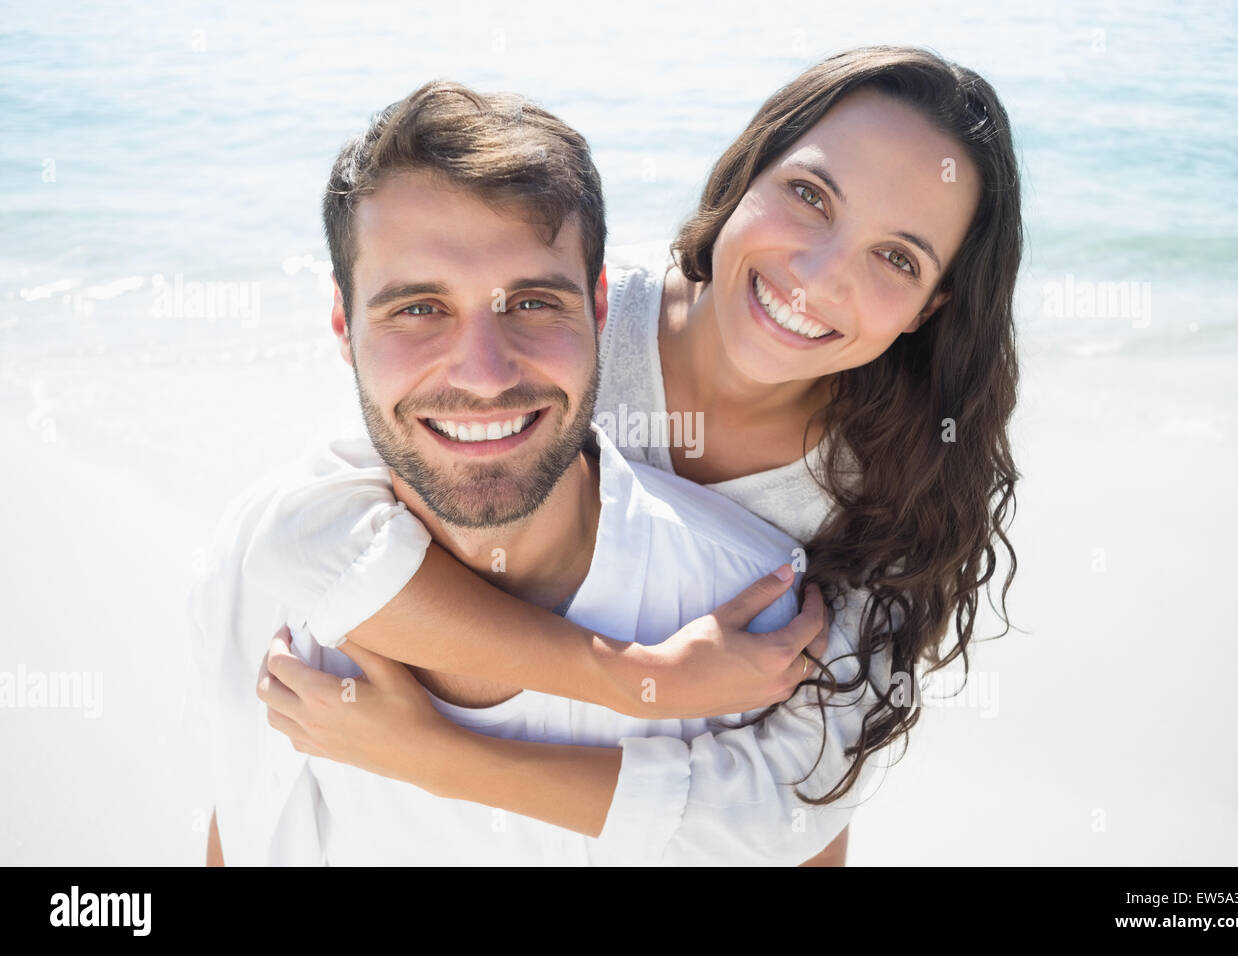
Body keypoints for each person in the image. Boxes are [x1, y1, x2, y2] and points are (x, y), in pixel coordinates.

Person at [243, 45, 1023, 865]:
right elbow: (307, 535)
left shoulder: (893, 499)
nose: (820, 276)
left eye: (897, 257)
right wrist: (631, 674)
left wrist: (433, 756)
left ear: (929, 309)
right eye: (809, 195)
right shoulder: (564, 327)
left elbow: (778, 809)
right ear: (745, 172)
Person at [189, 78, 838, 866]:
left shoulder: (750, 615)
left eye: (531, 303)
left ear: (600, 308)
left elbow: (782, 828)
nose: (486, 374)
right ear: (343, 324)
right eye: (419, 309)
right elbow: (250, 827)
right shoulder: (268, 573)